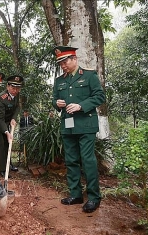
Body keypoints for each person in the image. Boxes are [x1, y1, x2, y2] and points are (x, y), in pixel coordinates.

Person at [51, 46, 106, 213]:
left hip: (85, 126)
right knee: (71, 160)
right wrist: (57, 104)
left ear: (75, 59)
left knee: (88, 160)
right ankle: (76, 195)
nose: (63, 65)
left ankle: (94, 197)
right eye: (60, 63)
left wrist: (81, 106)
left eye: (65, 61)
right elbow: (54, 99)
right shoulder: (60, 81)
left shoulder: (89, 76)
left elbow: (100, 97)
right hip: (68, 126)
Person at [0, 75, 23, 177]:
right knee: (0, 145)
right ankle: (2, 169)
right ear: (7, 87)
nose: (15, 90)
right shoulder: (0, 99)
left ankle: (9, 164)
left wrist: (13, 118)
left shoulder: (16, 94)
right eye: (13, 88)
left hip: (6, 122)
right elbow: (0, 119)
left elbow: (17, 107)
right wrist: (7, 132)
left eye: (17, 88)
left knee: (7, 144)